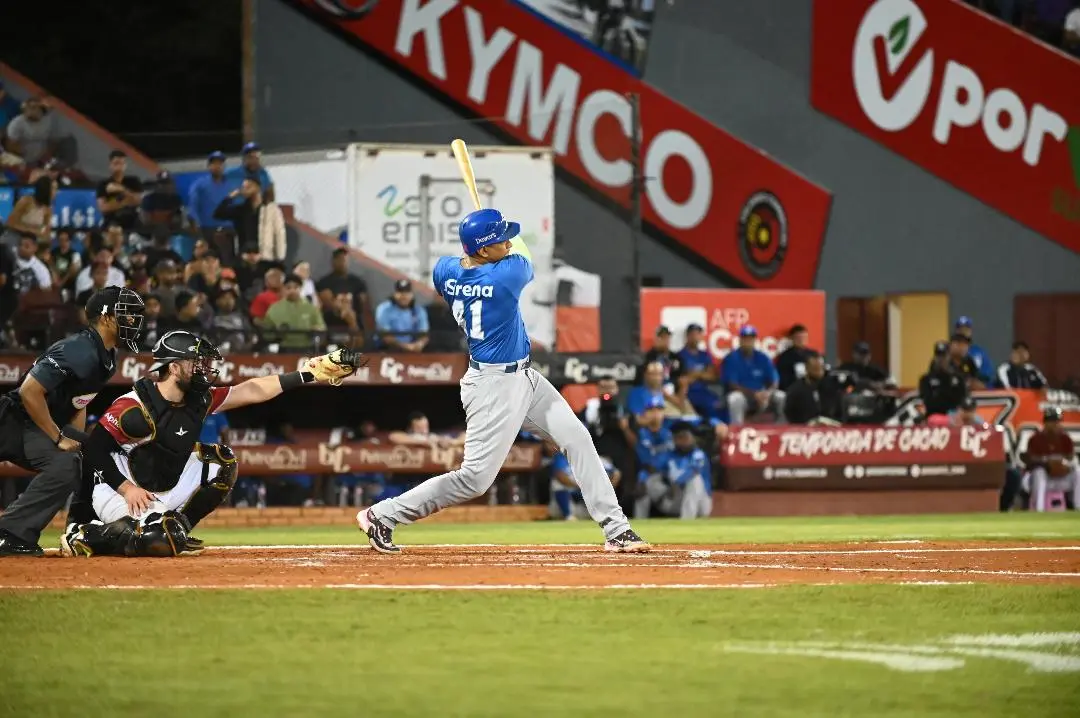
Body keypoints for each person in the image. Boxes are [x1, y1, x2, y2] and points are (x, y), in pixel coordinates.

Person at [356, 207, 648, 553]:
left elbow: (461, 261)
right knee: (474, 480)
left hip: (524, 376)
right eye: (499, 240)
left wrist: (485, 235)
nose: (507, 243)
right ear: (481, 250)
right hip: (494, 386)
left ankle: (616, 529)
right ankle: (383, 514)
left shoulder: (445, 271)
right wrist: (492, 238)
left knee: (577, 438)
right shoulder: (504, 278)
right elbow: (519, 253)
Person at [59, 332, 361, 557]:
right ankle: (87, 534)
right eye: (196, 362)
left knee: (221, 462)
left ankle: (178, 528)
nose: (204, 368)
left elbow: (251, 389)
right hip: (122, 488)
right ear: (175, 367)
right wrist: (126, 490)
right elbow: (94, 449)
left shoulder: (198, 399)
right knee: (157, 542)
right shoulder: (133, 407)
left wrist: (310, 373)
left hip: (163, 482)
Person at [0, 287, 144, 556]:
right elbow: (29, 391)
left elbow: (80, 401)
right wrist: (58, 438)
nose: (133, 321)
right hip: (15, 419)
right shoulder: (80, 349)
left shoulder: (106, 355)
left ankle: (79, 528)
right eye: (127, 314)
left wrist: (77, 442)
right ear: (106, 318)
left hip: (35, 421)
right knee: (66, 464)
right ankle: (9, 533)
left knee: (89, 455)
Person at [722, 325, 785, 425]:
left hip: (763, 396)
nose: (748, 341)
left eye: (751, 338)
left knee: (781, 396)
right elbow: (731, 384)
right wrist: (754, 394)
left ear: (755, 340)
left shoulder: (762, 358)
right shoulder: (732, 358)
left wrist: (767, 393)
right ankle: (737, 433)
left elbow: (774, 380)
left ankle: (781, 432)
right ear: (740, 340)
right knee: (735, 398)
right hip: (745, 396)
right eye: (745, 338)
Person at [1020, 408, 1077, 512]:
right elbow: (1030, 461)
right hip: (1040, 479)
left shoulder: (1065, 439)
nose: (1056, 424)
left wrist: (1065, 465)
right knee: (1039, 472)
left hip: (1060, 479)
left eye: (1057, 421)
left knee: (1078, 472)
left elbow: (1071, 458)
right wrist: (1047, 464)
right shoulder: (1035, 439)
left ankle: (1078, 508)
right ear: (1046, 423)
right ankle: (1039, 510)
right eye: (1052, 421)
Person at [632, 394, 674, 518]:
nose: (655, 413)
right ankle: (639, 527)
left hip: (669, 482)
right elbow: (645, 461)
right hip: (651, 480)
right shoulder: (641, 434)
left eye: (659, 409)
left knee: (645, 482)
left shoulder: (671, 431)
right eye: (651, 410)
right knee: (642, 486)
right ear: (645, 413)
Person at [263, 273, 326, 350]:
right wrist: (276, 333)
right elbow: (266, 332)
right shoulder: (274, 308)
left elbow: (322, 328)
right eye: (288, 288)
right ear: (283, 289)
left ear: (301, 288)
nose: (292, 291)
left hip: (307, 349)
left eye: (296, 287)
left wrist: (315, 329)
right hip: (283, 350)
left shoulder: (311, 308)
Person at [316, 247, 372, 331]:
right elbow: (327, 303)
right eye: (340, 259)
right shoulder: (324, 282)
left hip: (354, 328)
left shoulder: (357, 282)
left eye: (345, 260)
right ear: (333, 261)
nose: (342, 263)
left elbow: (364, 306)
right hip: (331, 326)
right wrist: (346, 313)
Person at [677, 323, 722, 418]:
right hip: (687, 392)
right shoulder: (680, 355)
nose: (695, 337)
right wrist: (701, 374)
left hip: (703, 390)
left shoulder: (704, 355)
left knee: (717, 404)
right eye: (692, 334)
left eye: (698, 334)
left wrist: (696, 374)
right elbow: (683, 378)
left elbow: (712, 376)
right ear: (687, 336)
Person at [784, 351, 841, 425]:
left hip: (832, 429)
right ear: (806, 368)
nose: (819, 371)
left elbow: (840, 414)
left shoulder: (833, 387)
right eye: (815, 368)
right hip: (804, 430)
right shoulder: (795, 390)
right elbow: (790, 414)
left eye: (821, 367)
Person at [95, 149, 144, 233]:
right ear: (110, 165)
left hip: (132, 221)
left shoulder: (133, 181)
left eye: (122, 163)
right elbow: (103, 207)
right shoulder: (103, 184)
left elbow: (138, 201)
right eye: (116, 163)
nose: (119, 167)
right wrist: (124, 202)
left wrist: (122, 189)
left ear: (125, 165)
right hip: (111, 221)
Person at [187, 151, 233, 241]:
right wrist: (198, 235)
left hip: (228, 229)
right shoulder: (199, 185)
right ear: (208, 166)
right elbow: (192, 209)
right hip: (207, 229)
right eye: (214, 163)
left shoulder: (231, 184)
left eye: (220, 163)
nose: (217, 166)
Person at [375, 278, 429, 351]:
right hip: (387, 350)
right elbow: (386, 336)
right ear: (394, 294)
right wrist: (406, 347)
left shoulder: (419, 310)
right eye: (400, 292)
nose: (403, 296)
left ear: (412, 295)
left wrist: (419, 344)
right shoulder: (384, 309)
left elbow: (424, 335)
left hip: (413, 351)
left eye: (407, 292)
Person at [919, 341, 967, 420]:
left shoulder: (958, 378)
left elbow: (961, 400)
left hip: (955, 416)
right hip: (934, 416)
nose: (941, 359)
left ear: (949, 357)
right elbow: (929, 402)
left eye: (944, 356)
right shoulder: (926, 379)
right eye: (939, 356)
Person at [1, 174, 53, 247]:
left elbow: (46, 230)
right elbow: (10, 223)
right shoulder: (26, 201)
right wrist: (29, 231)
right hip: (14, 238)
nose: (56, 192)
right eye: (54, 189)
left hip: (30, 242)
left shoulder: (48, 209)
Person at [774, 323, 814, 392]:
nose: (801, 340)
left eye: (804, 337)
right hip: (793, 392)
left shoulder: (813, 355)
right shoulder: (785, 357)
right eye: (798, 338)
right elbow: (782, 380)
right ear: (792, 338)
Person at [953, 317, 992, 386]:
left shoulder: (979, 353)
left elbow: (987, 376)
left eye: (966, 329)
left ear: (970, 331)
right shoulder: (949, 352)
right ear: (956, 331)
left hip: (975, 391)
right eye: (960, 329)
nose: (963, 332)